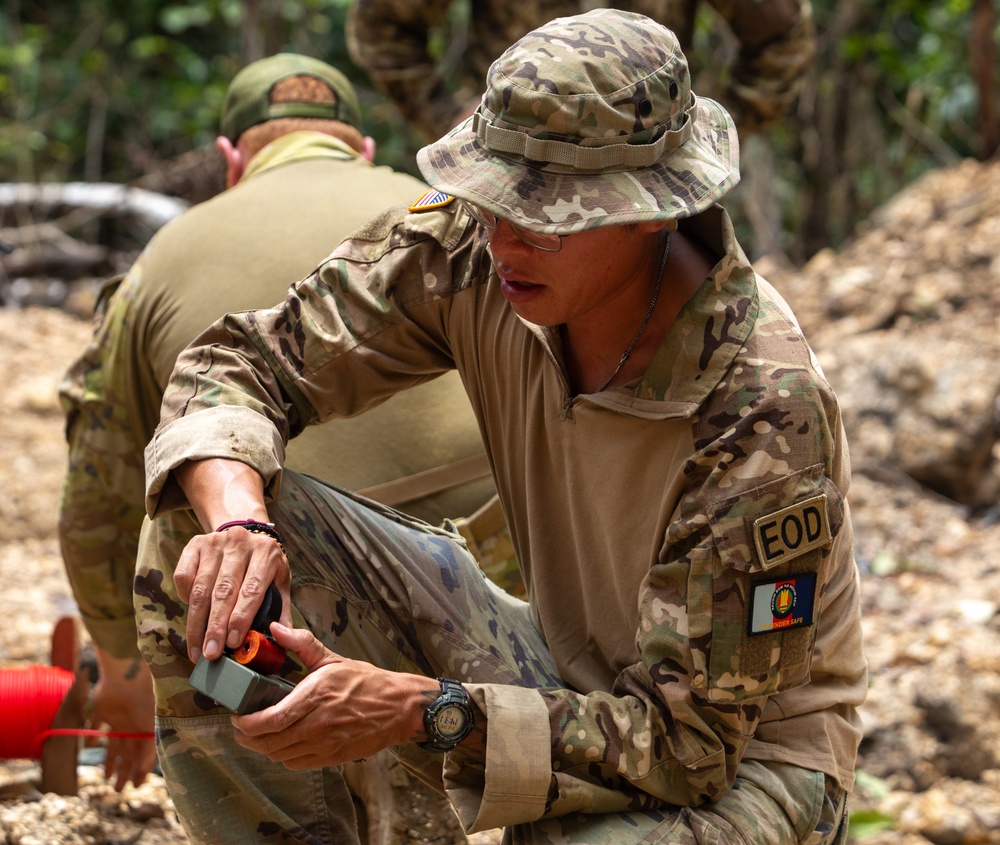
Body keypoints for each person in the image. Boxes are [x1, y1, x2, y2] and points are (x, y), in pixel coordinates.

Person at [136, 10, 867, 845]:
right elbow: (241, 361)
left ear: (655, 212)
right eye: (493, 195)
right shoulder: (475, 245)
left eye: (549, 213)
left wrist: (425, 712)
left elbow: (685, 746)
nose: (506, 234)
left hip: (741, 766)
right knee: (197, 551)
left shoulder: (759, 407)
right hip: (550, 667)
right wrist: (237, 521)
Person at [57, 52, 497, 802]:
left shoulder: (163, 258)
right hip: (490, 611)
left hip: (273, 622)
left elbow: (96, 503)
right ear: (362, 149)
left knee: (194, 551)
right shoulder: (459, 218)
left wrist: (123, 671)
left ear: (232, 161)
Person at [345, 0, 815, 142]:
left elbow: (781, 31)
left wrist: (716, 129)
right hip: (508, 160)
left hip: (650, 167)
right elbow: (381, 23)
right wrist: (443, 115)